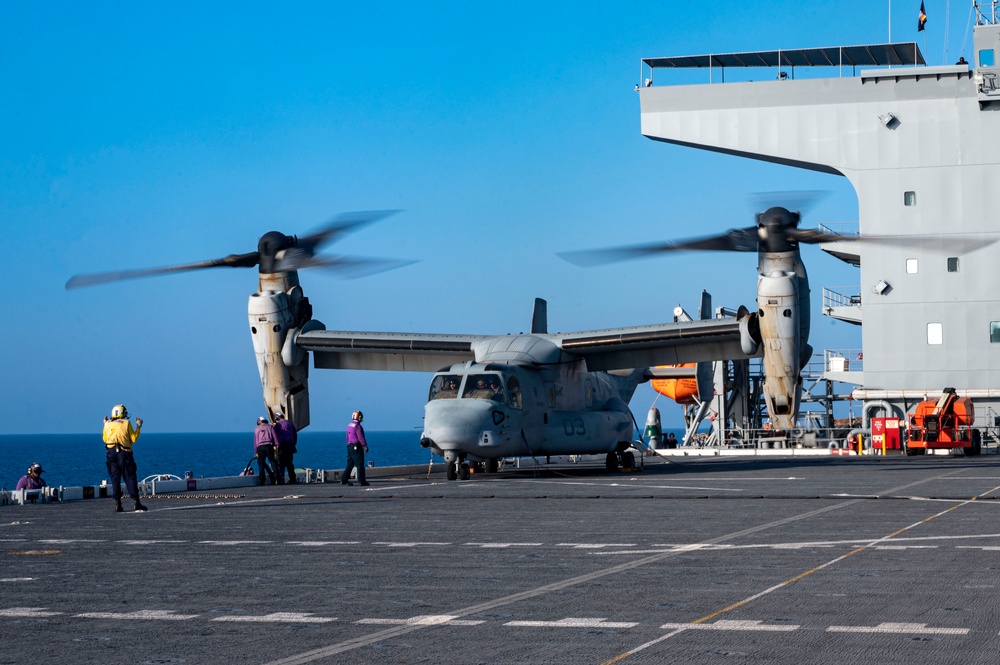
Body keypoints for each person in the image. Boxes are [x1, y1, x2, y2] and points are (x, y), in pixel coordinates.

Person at [103, 404, 147, 512]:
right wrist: (138, 426)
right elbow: (134, 438)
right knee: (130, 477)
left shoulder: (107, 424)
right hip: (125, 453)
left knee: (115, 478)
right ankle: (136, 503)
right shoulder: (126, 423)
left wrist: (106, 424)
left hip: (111, 453)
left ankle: (117, 503)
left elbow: (105, 439)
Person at [342, 410, 369, 486]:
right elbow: (361, 437)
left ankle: (344, 479)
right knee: (360, 464)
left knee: (350, 464)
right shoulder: (358, 426)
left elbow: (347, 437)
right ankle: (362, 481)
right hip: (356, 447)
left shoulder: (349, 425)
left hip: (350, 446)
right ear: (359, 417)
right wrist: (365, 445)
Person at [272, 412, 298, 484]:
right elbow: (295, 435)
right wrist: (293, 445)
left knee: (281, 463)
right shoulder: (290, 424)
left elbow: (274, 436)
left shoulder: (277, 425)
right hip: (290, 445)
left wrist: (275, 444)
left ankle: (281, 479)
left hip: (282, 446)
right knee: (289, 463)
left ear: (277, 418)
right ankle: (293, 479)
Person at [253, 416, 278, 486]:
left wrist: (256, 451)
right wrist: (277, 444)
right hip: (269, 446)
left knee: (261, 464)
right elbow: (274, 436)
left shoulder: (256, 429)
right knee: (273, 462)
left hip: (260, 447)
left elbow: (255, 441)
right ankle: (276, 479)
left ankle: (262, 480)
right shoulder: (270, 427)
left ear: (259, 421)